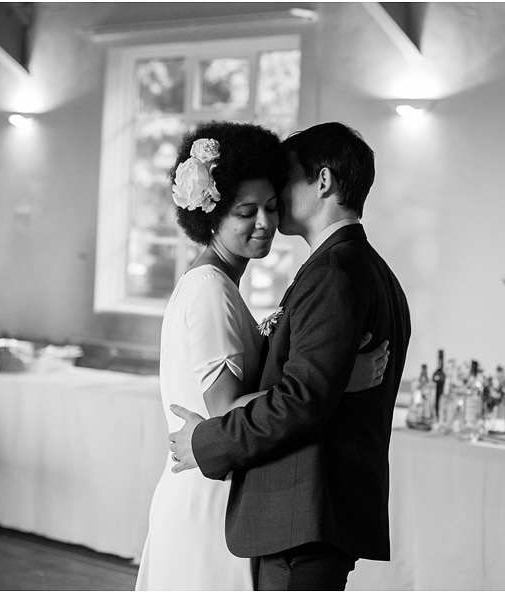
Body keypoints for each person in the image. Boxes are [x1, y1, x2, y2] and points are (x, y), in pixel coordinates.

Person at [135, 122, 390, 591]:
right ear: (212, 216)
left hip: (232, 488)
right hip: (209, 492)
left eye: (271, 207)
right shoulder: (210, 288)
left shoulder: (226, 286)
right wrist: (335, 382)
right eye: (246, 211)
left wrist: (328, 382)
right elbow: (226, 410)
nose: (266, 223)